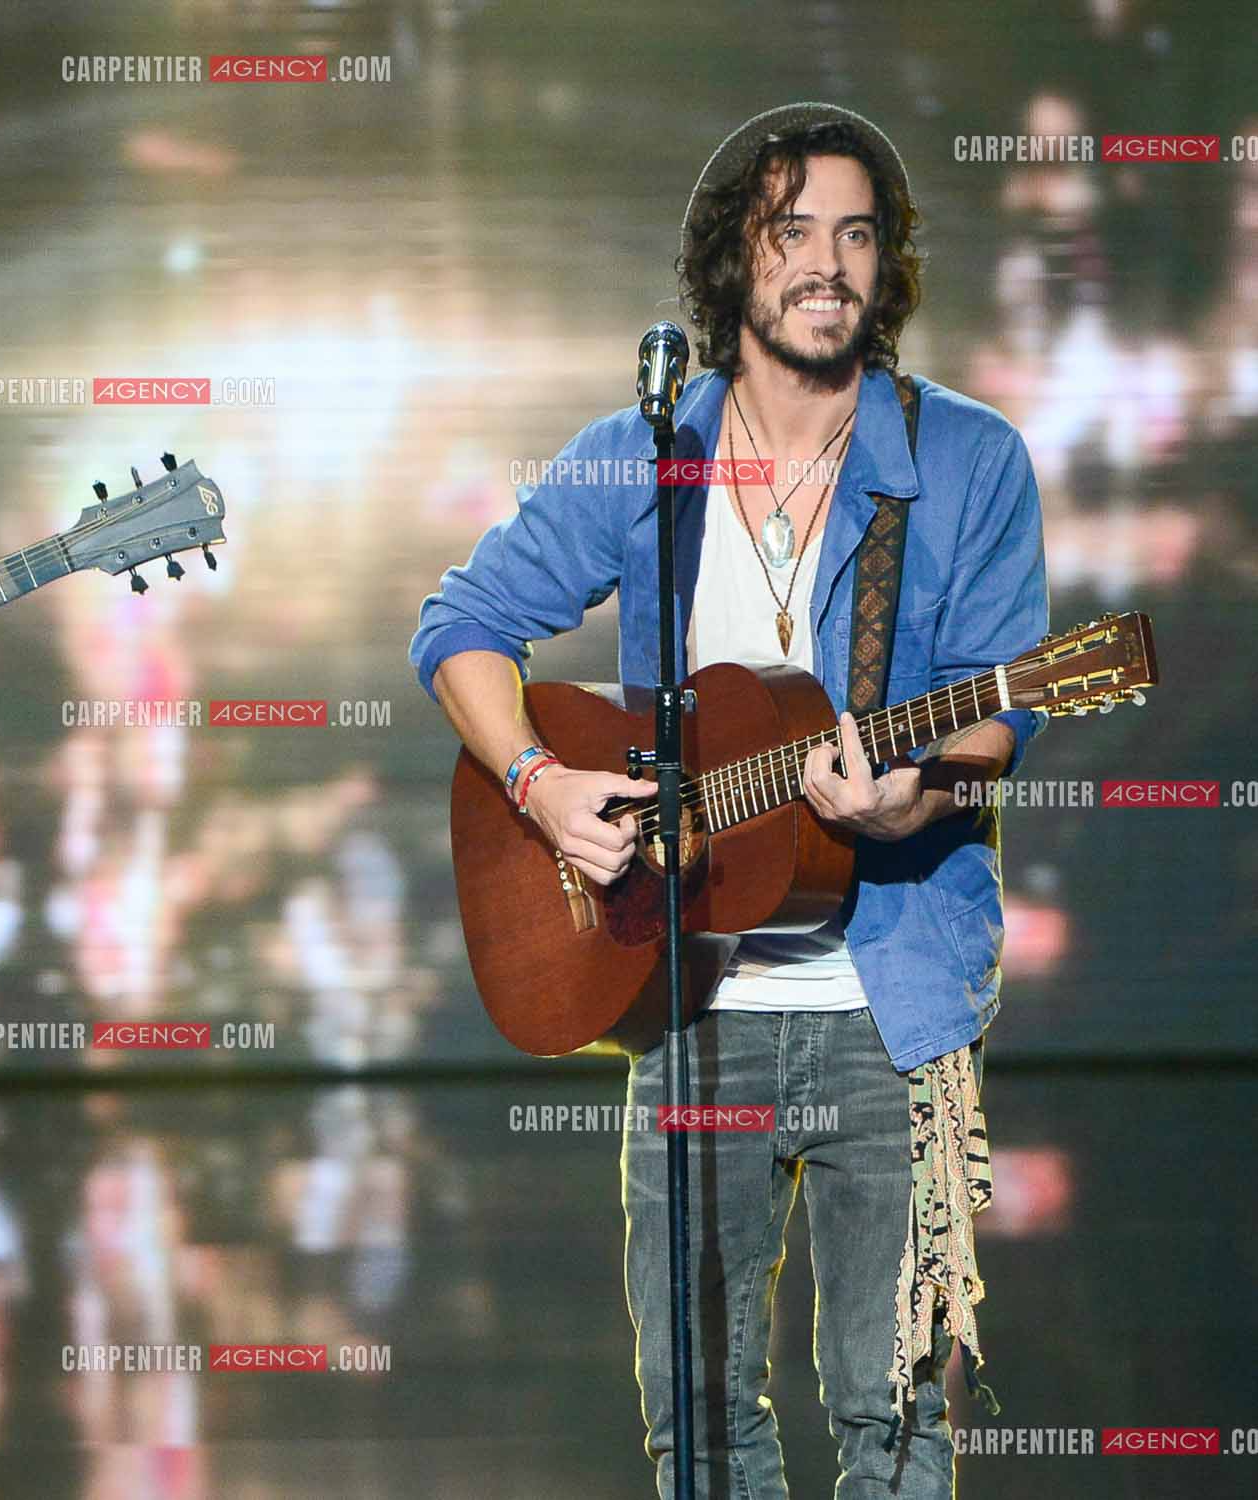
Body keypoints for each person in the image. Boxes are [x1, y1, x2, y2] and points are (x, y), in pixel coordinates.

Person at [410, 103, 1049, 1498]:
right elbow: (460, 627)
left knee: (893, 1426)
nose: (827, 263)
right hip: (685, 994)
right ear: (730, 260)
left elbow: (997, 716)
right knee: (698, 1427)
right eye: (790, 231)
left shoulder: (966, 460)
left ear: (887, 265)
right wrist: (537, 784)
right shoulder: (646, 452)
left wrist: (906, 801)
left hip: (897, 1001)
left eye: (856, 234)